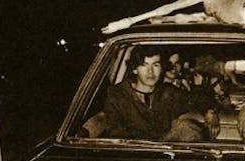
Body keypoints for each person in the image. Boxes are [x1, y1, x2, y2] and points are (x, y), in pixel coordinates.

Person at [80, 47, 220, 141]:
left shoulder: (167, 92)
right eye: (144, 65)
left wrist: (210, 111)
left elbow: (199, 99)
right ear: (135, 69)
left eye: (156, 65)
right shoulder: (118, 94)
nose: (150, 72)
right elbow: (115, 132)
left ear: (162, 69)